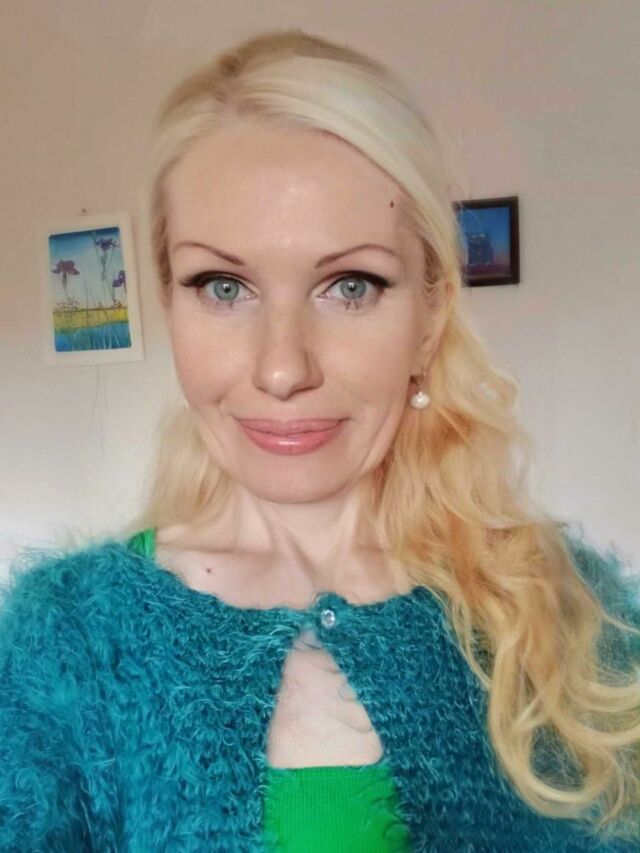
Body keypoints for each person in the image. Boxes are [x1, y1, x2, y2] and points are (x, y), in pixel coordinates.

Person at [1, 29, 639, 852]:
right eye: (222, 286)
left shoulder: (572, 613)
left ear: (430, 314)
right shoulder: (63, 643)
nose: (282, 368)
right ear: (170, 302)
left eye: (350, 285)